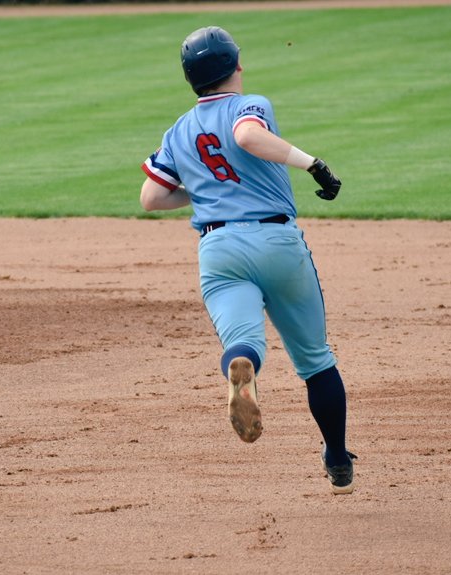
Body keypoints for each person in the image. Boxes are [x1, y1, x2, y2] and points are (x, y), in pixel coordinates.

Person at [139, 26, 356, 494]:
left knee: (242, 343)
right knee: (316, 361)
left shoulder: (178, 130)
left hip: (219, 251)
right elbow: (247, 136)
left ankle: (243, 370)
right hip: (276, 242)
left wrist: (204, 190)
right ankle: (337, 458)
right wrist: (313, 163)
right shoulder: (247, 104)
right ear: (236, 64)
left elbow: (152, 196)